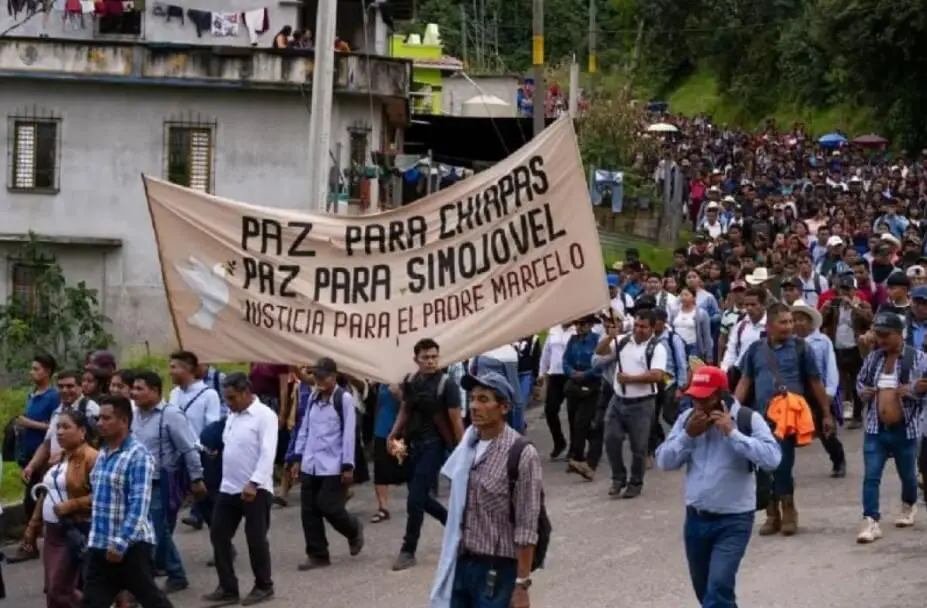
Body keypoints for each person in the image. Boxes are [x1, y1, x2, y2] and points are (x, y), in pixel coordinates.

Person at [656, 366, 781, 607]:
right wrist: (688, 436)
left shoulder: (747, 419)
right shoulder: (687, 420)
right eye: (695, 398)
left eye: (705, 399)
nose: (699, 405)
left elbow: (773, 458)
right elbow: (664, 461)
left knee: (718, 587)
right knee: (706, 593)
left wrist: (733, 434)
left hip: (733, 521)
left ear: (722, 395)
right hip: (696, 520)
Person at [429, 371, 543, 608]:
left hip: (497, 573)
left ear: (504, 407)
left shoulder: (522, 454)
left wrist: (522, 585)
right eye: (472, 399)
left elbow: (527, 525)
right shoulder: (468, 446)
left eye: (483, 400)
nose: (474, 406)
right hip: (461, 563)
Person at [734, 302, 835, 537]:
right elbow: (745, 381)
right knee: (762, 465)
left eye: (790, 321)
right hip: (760, 418)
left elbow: (815, 382)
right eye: (783, 322)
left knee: (782, 464)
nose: (789, 326)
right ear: (769, 326)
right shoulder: (755, 350)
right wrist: (734, 410)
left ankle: (789, 511)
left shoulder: (801, 348)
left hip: (787, 418)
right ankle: (772, 515)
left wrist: (826, 414)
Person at [82, 395, 173, 608]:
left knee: (151, 598)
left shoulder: (138, 455)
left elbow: (139, 505)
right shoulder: (103, 453)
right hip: (100, 544)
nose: (100, 423)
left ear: (124, 421)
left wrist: (121, 542)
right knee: (92, 602)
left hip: (132, 546)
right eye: (99, 418)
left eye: (106, 418)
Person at [387, 338, 463, 572]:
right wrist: (393, 433)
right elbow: (405, 410)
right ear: (416, 359)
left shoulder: (446, 385)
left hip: (435, 446)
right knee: (419, 497)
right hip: (413, 445)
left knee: (415, 499)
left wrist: (462, 450)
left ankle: (408, 549)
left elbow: (455, 419)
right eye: (425, 358)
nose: (430, 361)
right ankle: (455, 525)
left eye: (434, 357)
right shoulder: (411, 381)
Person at [203, 373, 278, 605]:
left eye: (232, 398)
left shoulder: (264, 415)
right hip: (229, 487)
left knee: (255, 538)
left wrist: (254, 482)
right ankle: (228, 588)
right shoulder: (233, 415)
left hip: (256, 488)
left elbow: (268, 452)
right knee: (219, 535)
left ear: (246, 392)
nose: (229, 403)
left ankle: (264, 585)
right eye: (226, 398)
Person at [131, 371, 206, 594]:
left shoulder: (171, 415)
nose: (134, 393)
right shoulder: (135, 415)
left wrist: (196, 478)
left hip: (161, 482)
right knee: (149, 530)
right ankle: (163, 571)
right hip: (138, 482)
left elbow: (188, 448)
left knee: (157, 530)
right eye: (133, 388)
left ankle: (172, 574)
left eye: (140, 389)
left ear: (155, 391)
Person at [285, 358, 364, 571]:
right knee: (309, 511)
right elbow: (305, 428)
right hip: (311, 463)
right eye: (316, 377)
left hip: (333, 463)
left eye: (323, 377)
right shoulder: (313, 397)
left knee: (329, 505)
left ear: (334, 377)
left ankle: (353, 529)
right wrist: (297, 457)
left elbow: (349, 434)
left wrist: (347, 465)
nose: (319, 381)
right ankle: (318, 554)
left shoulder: (343, 399)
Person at [855, 313, 927, 543]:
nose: (881, 339)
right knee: (871, 475)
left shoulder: (918, 359)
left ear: (899, 334)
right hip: (875, 429)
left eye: (886, 334)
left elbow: (924, 388)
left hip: (905, 430)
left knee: (907, 475)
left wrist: (914, 390)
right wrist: (864, 392)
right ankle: (870, 520)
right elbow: (860, 381)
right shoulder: (874, 358)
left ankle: (908, 505)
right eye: (878, 334)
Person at [23, 409, 98, 608]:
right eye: (57, 427)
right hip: (52, 533)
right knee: (51, 589)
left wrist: (70, 505)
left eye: (66, 427)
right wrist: (33, 526)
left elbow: (101, 496)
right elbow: (45, 492)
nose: (59, 432)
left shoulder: (92, 458)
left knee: (60, 588)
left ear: (82, 431)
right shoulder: (57, 458)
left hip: (73, 529)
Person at [595, 310, 667, 498]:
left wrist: (631, 379)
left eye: (643, 327)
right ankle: (618, 477)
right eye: (636, 325)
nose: (639, 330)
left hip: (642, 404)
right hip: (618, 400)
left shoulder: (657, 348)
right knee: (611, 438)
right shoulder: (623, 341)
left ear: (652, 328)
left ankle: (635, 482)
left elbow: (657, 375)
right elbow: (600, 352)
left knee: (638, 447)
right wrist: (608, 338)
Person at [8, 354, 60, 563]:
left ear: (47, 371)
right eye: (32, 369)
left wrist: (29, 423)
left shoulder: (53, 397)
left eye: (36, 369)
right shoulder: (32, 395)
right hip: (30, 455)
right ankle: (31, 542)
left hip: (46, 455)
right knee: (31, 499)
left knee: (37, 499)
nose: (32, 373)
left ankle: (32, 543)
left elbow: (55, 426)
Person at [791, 300, 846, 477]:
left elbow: (830, 367)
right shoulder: (790, 342)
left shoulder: (822, 341)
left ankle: (838, 460)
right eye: (795, 319)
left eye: (802, 319)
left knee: (825, 428)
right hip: (796, 391)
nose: (798, 323)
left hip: (818, 389)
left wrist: (830, 391)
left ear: (810, 322)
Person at [370, 382, 407, 524]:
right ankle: (383, 508)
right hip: (381, 431)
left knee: (404, 467)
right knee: (380, 469)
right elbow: (378, 407)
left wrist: (399, 394)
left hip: (399, 432)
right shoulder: (382, 384)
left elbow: (411, 405)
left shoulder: (406, 381)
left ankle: (418, 502)